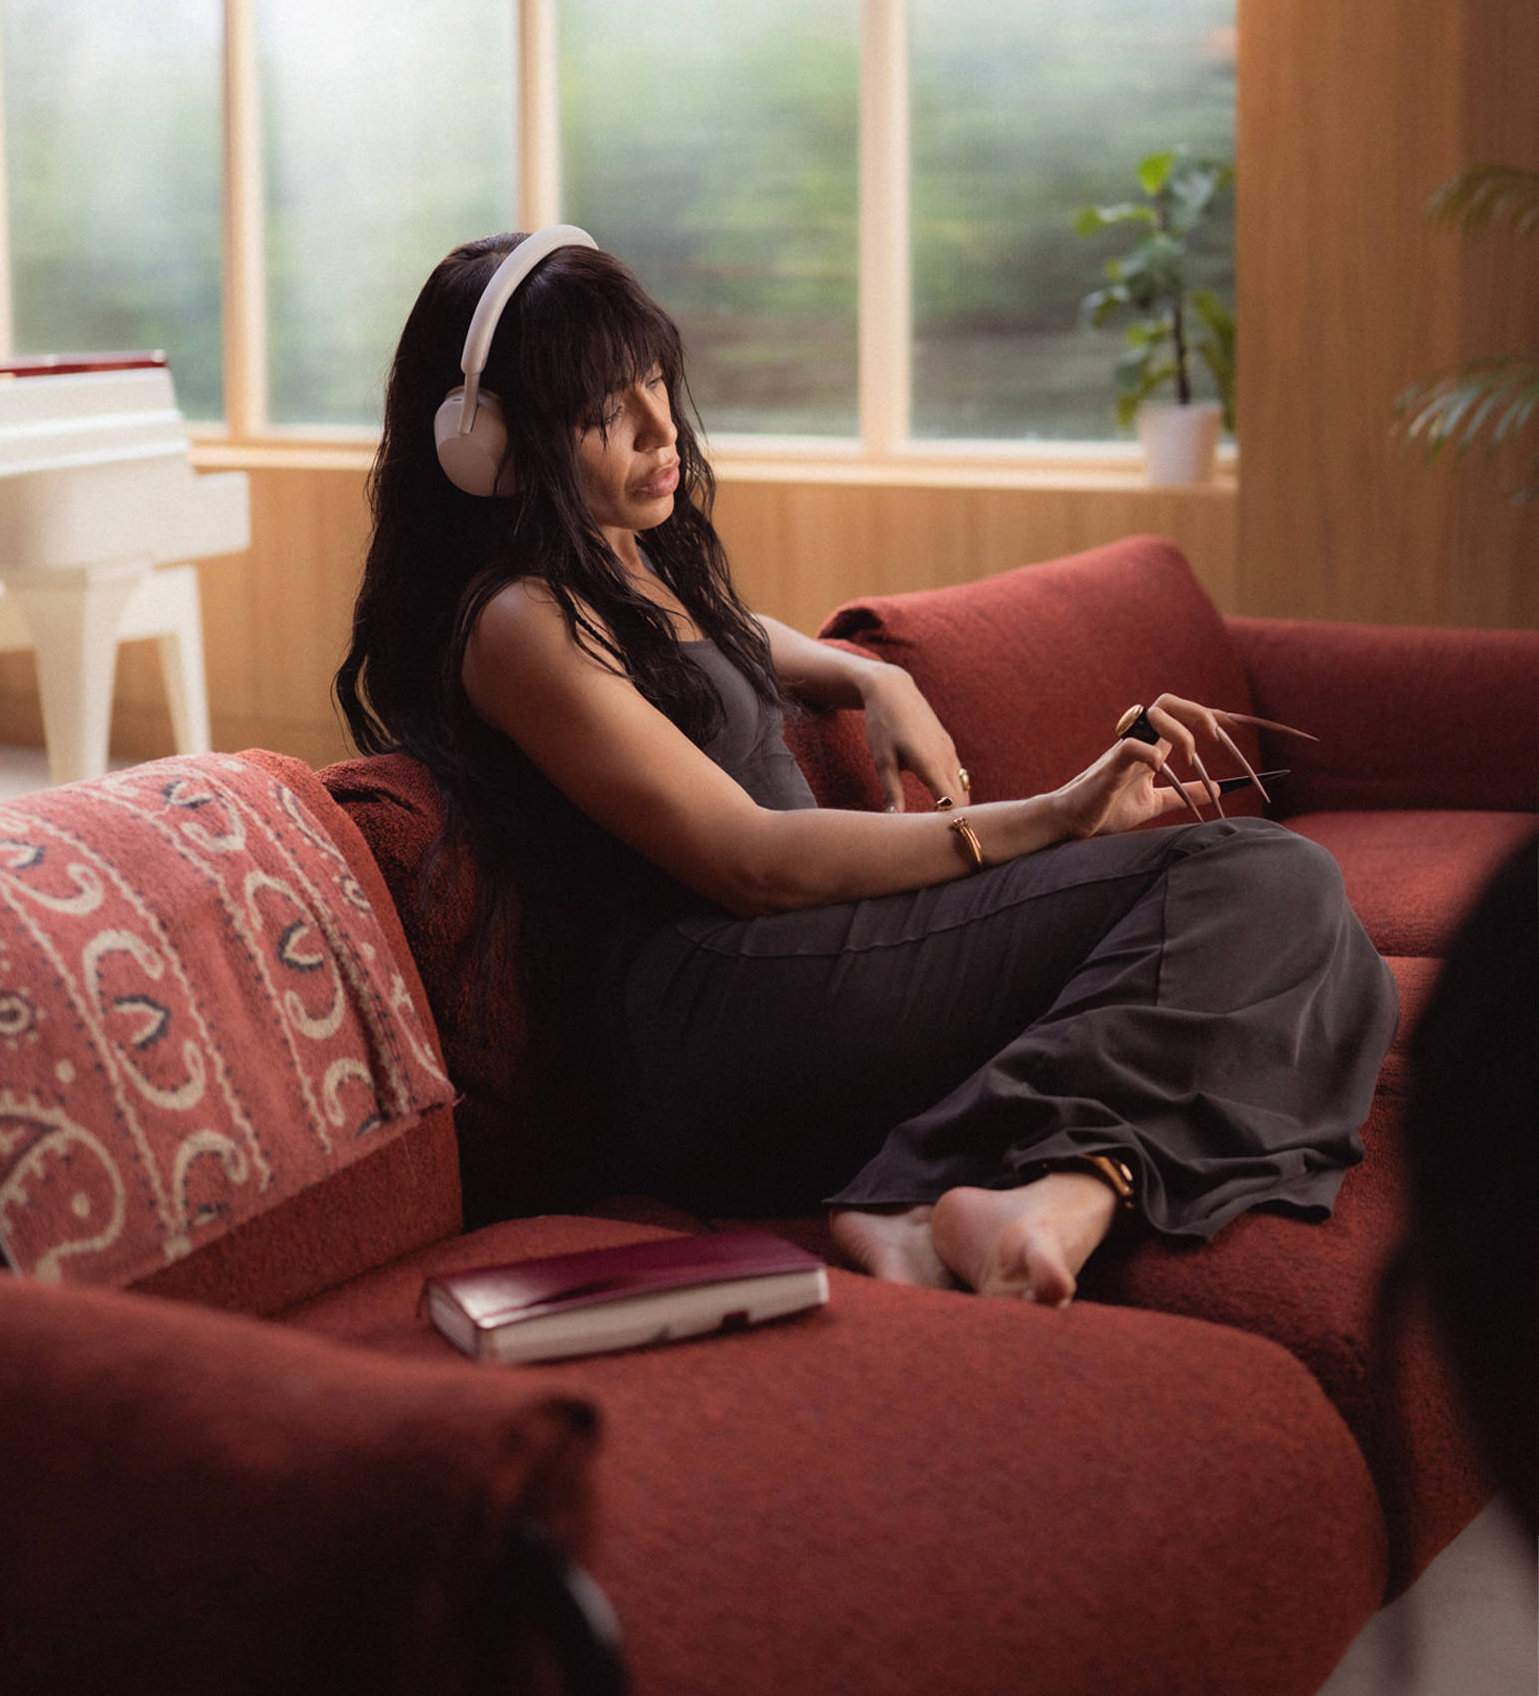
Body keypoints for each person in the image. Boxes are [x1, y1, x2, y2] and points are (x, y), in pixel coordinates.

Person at [338, 231, 1398, 1307]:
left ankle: (1063, 1195)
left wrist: (872, 680)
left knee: (1328, 951)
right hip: (721, 1010)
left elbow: (745, 641)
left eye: (655, 379)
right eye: (609, 412)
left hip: (808, 971)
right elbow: (747, 860)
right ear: (489, 444)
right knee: (1253, 881)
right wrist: (1052, 818)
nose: (663, 429)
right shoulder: (517, 620)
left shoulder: (624, 562)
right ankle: (928, 1184)